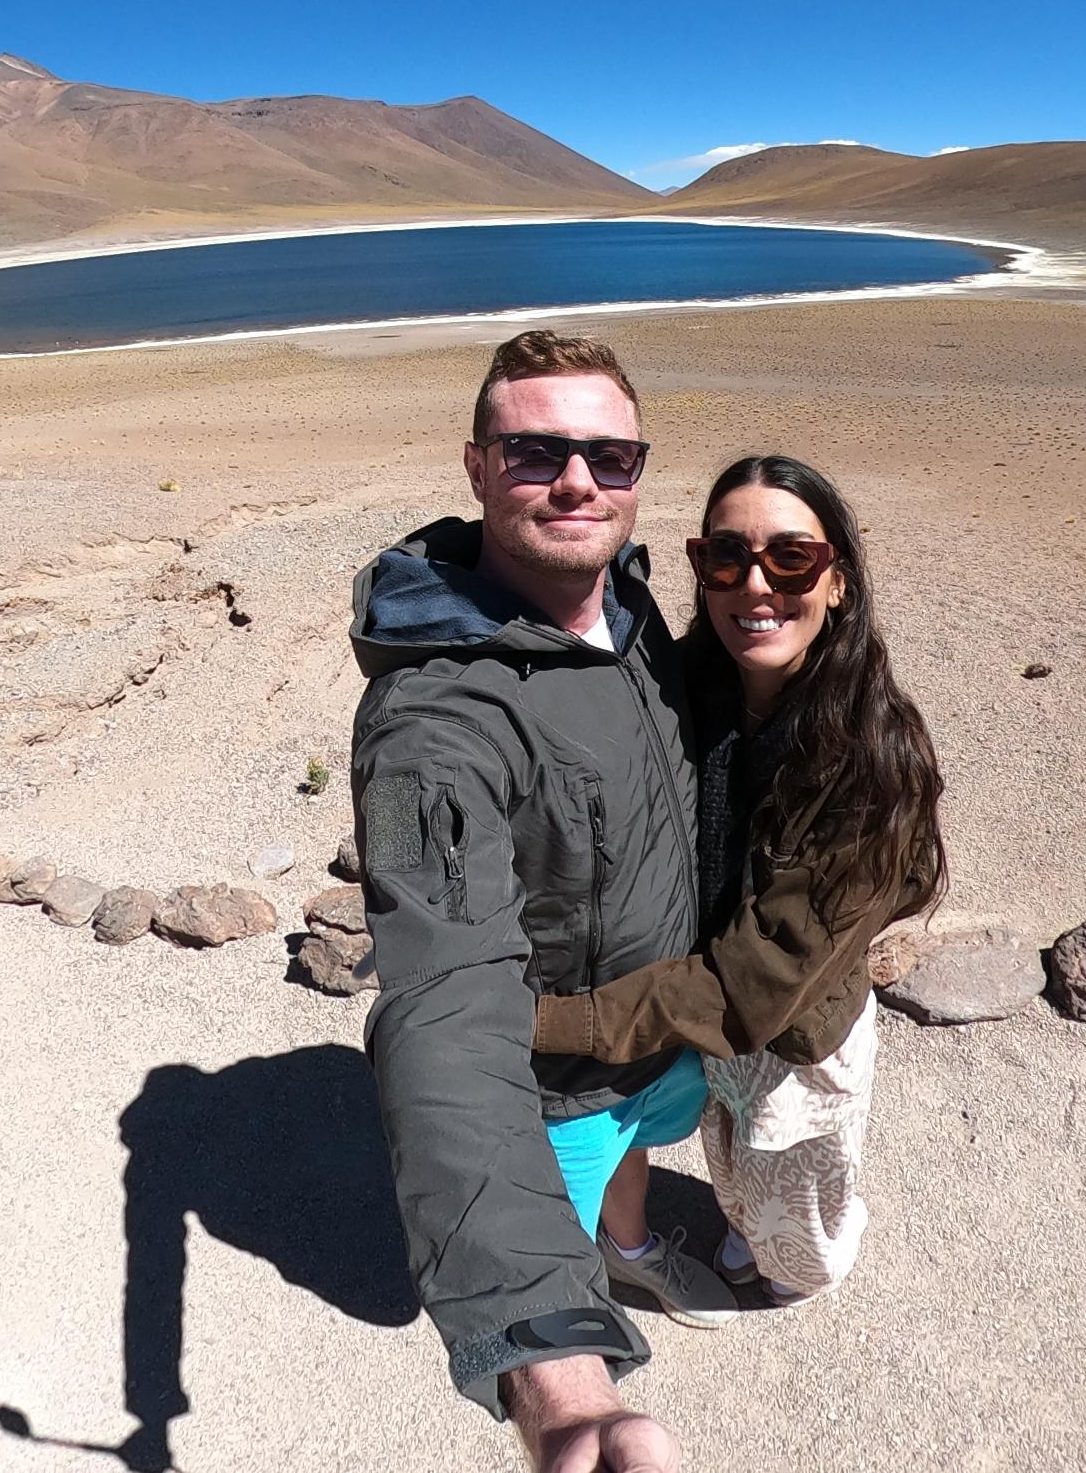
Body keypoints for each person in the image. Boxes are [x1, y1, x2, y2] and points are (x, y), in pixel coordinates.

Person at [347, 329, 734, 1473]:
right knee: (567, 1193)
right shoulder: (437, 724)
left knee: (637, 1153)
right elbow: (446, 1002)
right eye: (536, 453)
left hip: (652, 1034)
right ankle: (581, 1293)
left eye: (611, 459)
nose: (579, 481)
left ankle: (633, 1243)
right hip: (550, 1076)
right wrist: (559, 1382)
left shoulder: (626, 601)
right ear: (476, 468)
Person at [531, 454, 947, 1303]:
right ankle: (743, 1231)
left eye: (791, 557)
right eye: (727, 557)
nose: (755, 584)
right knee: (732, 1160)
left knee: (798, 1217)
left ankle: (795, 1270)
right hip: (716, 1032)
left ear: (838, 582)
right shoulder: (704, 691)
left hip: (795, 1043)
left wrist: (545, 1021)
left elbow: (745, 995)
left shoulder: (869, 764)